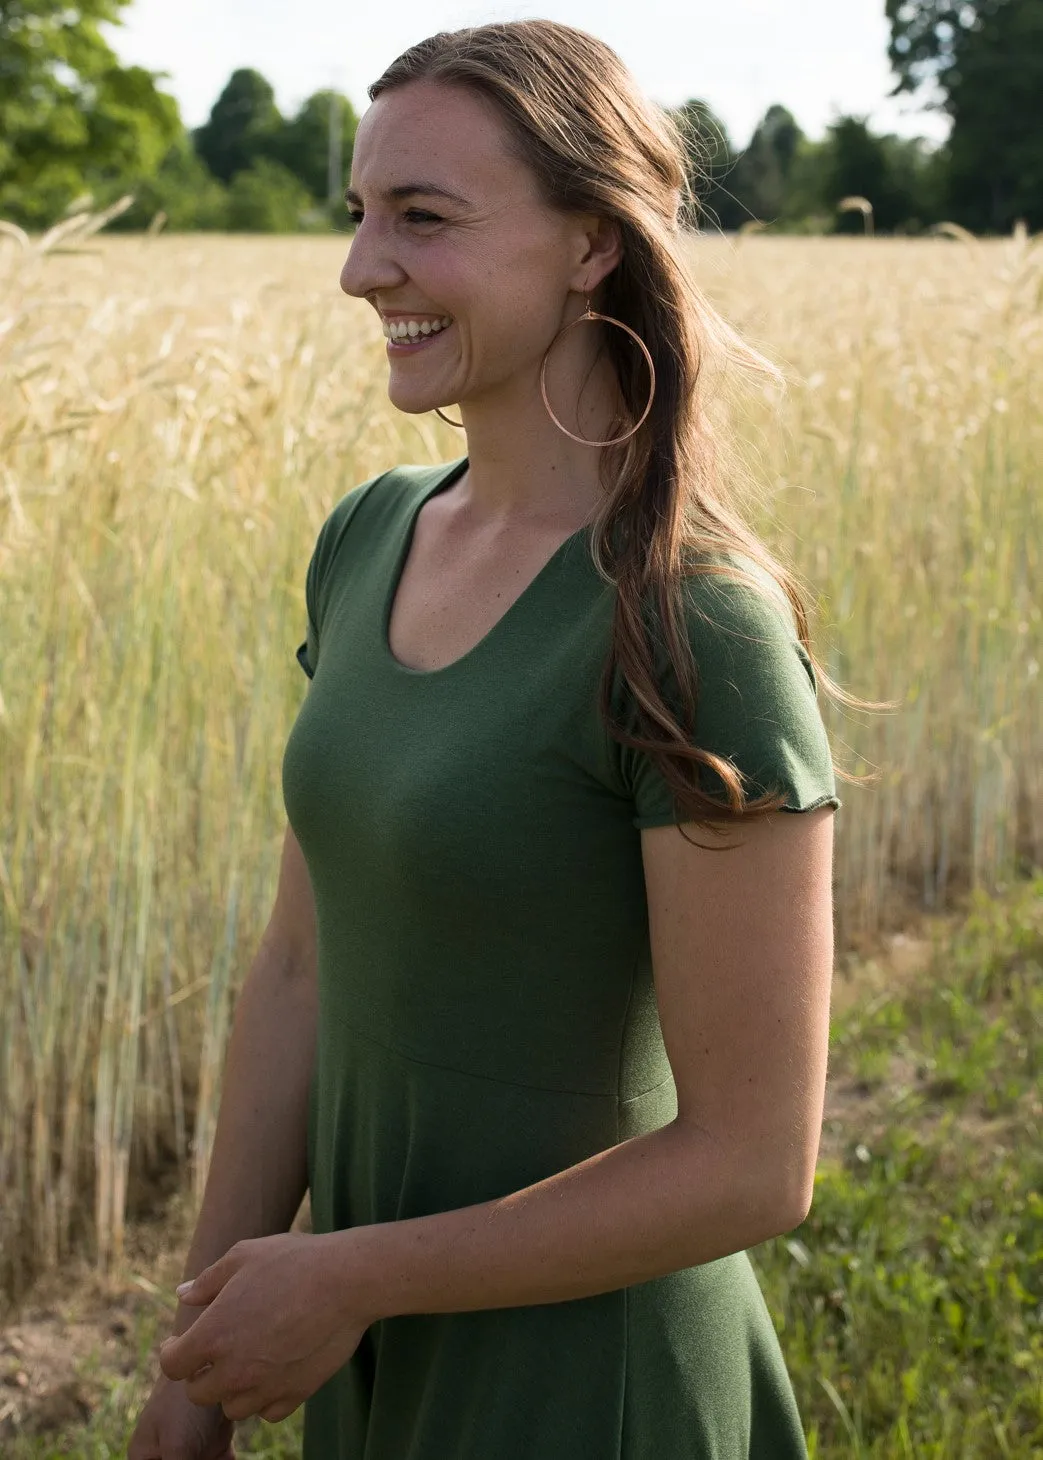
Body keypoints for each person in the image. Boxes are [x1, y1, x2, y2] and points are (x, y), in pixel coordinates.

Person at [129, 19, 843, 1460]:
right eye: (357, 213)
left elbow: (754, 1167)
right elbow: (297, 968)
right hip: (374, 1362)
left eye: (422, 218)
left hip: (596, 1387)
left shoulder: (687, 624)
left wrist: (349, 1279)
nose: (359, 267)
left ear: (589, 244)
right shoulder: (369, 536)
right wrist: (195, 1367)